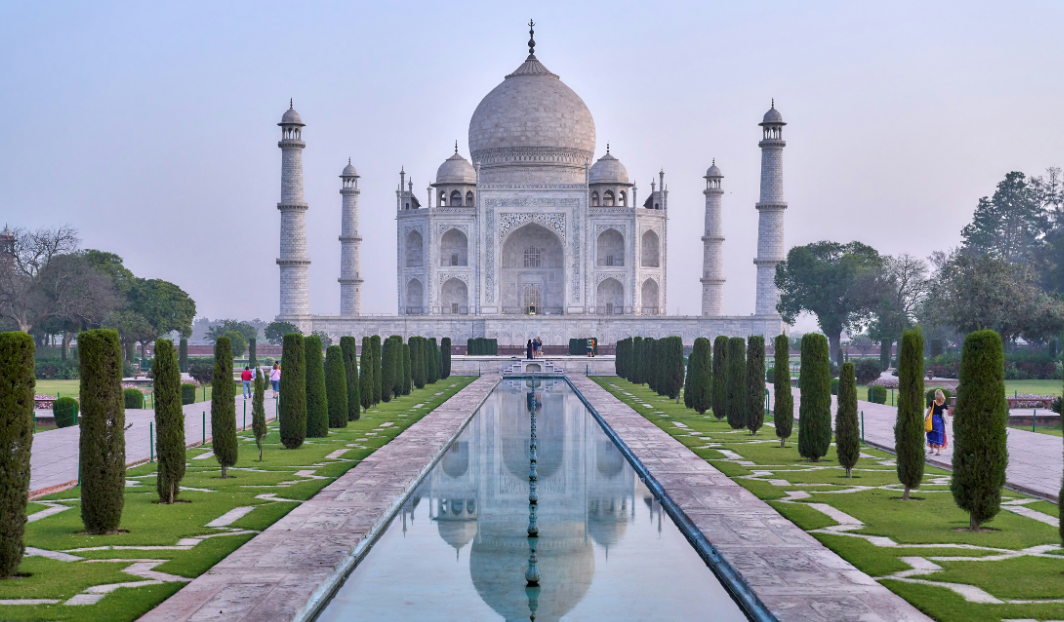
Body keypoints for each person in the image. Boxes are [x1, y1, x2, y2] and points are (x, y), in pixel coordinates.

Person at [926, 389, 951, 455]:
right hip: (940, 421)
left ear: (935, 395)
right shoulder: (944, 403)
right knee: (939, 435)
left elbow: (929, 411)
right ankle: (938, 451)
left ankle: (931, 450)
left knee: (931, 434)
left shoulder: (932, 402)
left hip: (933, 420)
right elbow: (946, 412)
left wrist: (926, 417)